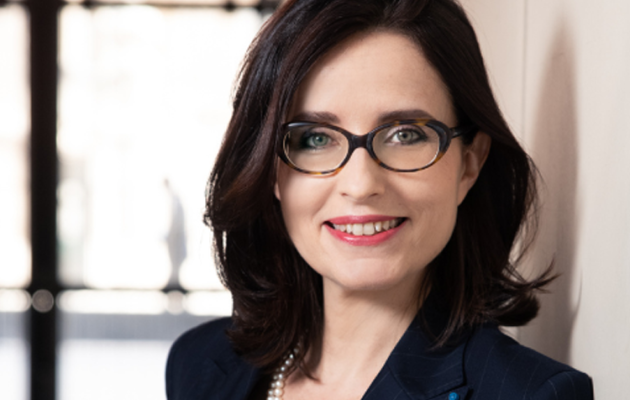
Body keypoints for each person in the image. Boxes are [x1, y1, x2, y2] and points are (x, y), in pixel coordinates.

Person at [166, 0, 593, 399]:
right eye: (315, 139)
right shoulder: (199, 365)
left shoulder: (530, 393)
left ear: (469, 164)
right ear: (270, 169)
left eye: (405, 135)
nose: (360, 184)